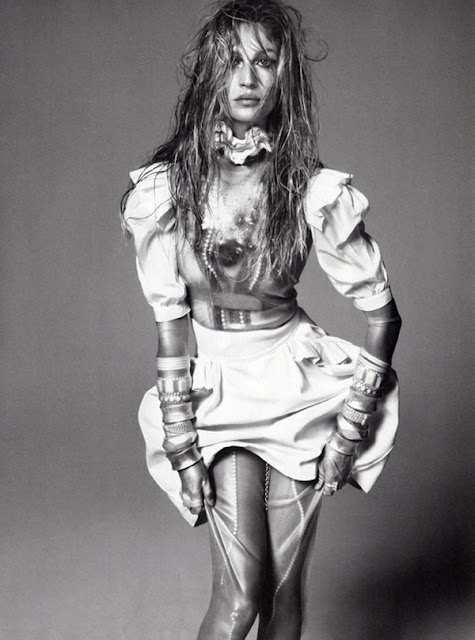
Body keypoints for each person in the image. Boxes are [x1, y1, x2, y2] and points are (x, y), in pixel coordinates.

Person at [121, 1, 401, 638]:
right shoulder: (169, 189)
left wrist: (349, 431)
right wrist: (181, 445)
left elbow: (383, 315)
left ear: (284, 76)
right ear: (209, 75)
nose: (247, 77)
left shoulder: (308, 187)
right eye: (231, 61)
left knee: (281, 595)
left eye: (264, 61)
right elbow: (170, 322)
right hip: (216, 391)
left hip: (294, 388)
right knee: (239, 600)